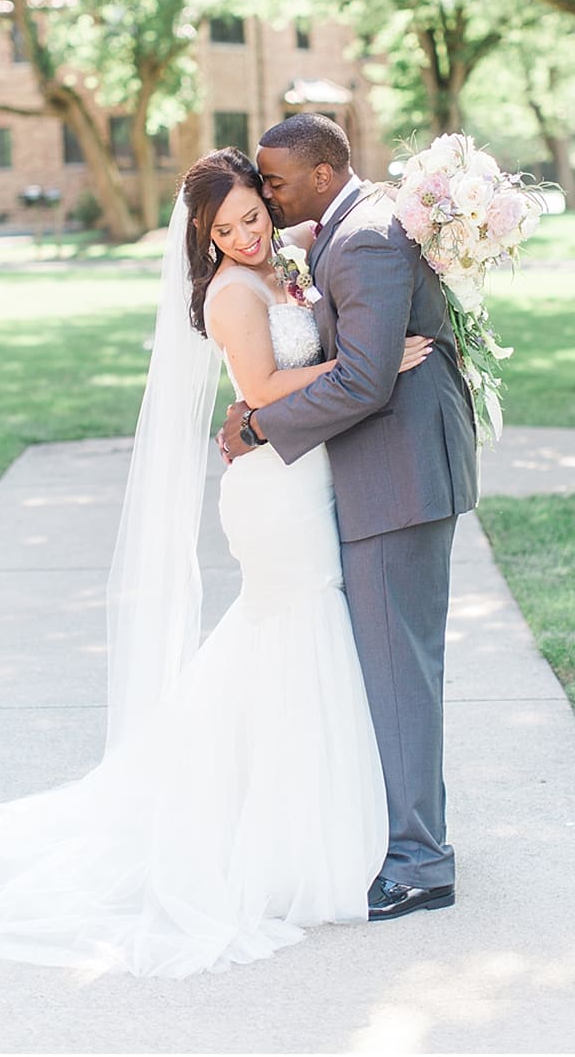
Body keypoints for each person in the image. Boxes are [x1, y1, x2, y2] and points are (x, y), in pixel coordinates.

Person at [0, 147, 432, 976]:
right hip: (275, 493)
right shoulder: (231, 293)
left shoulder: (284, 265)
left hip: (305, 473)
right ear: (204, 239)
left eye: (253, 215)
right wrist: (367, 364)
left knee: (289, 640)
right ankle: (288, 842)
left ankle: (301, 819)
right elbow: (260, 390)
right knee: (297, 629)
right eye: (227, 228)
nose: (248, 235)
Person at [226, 111, 478, 921]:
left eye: (273, 180)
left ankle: (419, 865)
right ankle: (415, 838)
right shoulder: (348, 228)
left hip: (395, 476)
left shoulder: (364, 237)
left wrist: (262, 425)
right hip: (388, 472)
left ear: (322, 176)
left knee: (400, 674)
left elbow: (367, 382)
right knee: (398, 668)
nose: (265, 194)